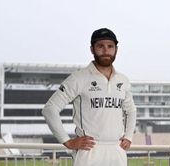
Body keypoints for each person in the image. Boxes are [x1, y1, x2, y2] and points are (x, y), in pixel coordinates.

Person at [42, 28, 137, 166]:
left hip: (117, 149)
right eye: (100, 46)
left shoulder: (123, 80)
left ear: (116, 49)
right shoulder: (79, 78)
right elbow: (50, 109)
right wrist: (67, 141)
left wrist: (128, 136)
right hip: (89, 150)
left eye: (110, 46)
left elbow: (131, 110)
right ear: (92, 49)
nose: (106, 50)